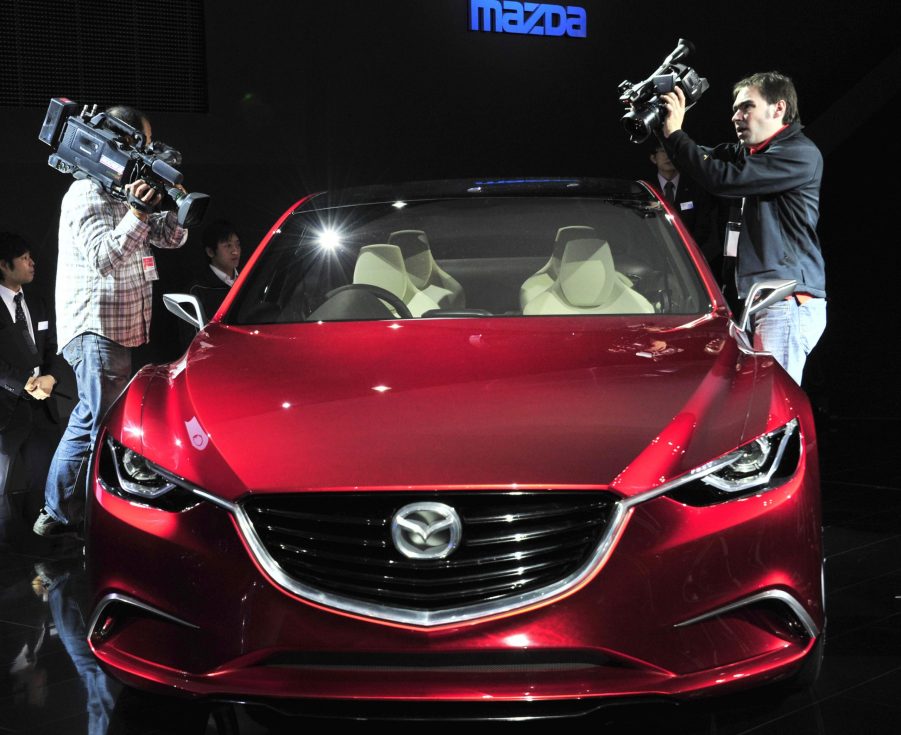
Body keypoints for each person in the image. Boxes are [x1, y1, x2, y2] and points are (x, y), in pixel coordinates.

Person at [33, 106, 189, 537]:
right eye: (142, 142)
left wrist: (171, 200)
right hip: (94, 326)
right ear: (121, 142)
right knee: (95, 419)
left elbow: (173, 237)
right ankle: (59, 513)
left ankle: (69, 511)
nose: (146, 153)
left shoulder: (121, 193)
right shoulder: (85, 192)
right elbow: (104, 257)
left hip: (118, 327)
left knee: (96, 417)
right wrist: (138, 213)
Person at [659, 71, 826, 385]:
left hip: (784, 303)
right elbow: (703, 160)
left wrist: (676, 134)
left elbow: (721, 178)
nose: (736, 116)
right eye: (735, 108)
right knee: (749, 411)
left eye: (746, 107)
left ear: (778, 108)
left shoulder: (798, 154)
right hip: (758, 304)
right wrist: (664, 126)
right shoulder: (752, 155)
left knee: (769, 410)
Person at [0, 233, 65, 542]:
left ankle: (44, 550)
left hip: (42, 405)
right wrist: (20, 383)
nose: (32, 263)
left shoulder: (36, 302)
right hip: (6, 408)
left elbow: (52, 347)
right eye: (24, 258)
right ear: (4, 265)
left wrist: (51, 376)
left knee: (46, 481)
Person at [649, 142, 723, 266]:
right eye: (663, 151)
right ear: (653, 158)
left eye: (672, 152)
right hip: (654, 259)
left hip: (692, 259)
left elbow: (707, 228)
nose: (668, 156)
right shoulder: (645, 188)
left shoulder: (697, 187)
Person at [190, 219, 241, 319]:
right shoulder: (197, 290)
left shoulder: (250, 279)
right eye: (228, 246)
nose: (235, 251)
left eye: (238, 245)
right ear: (210, 252)